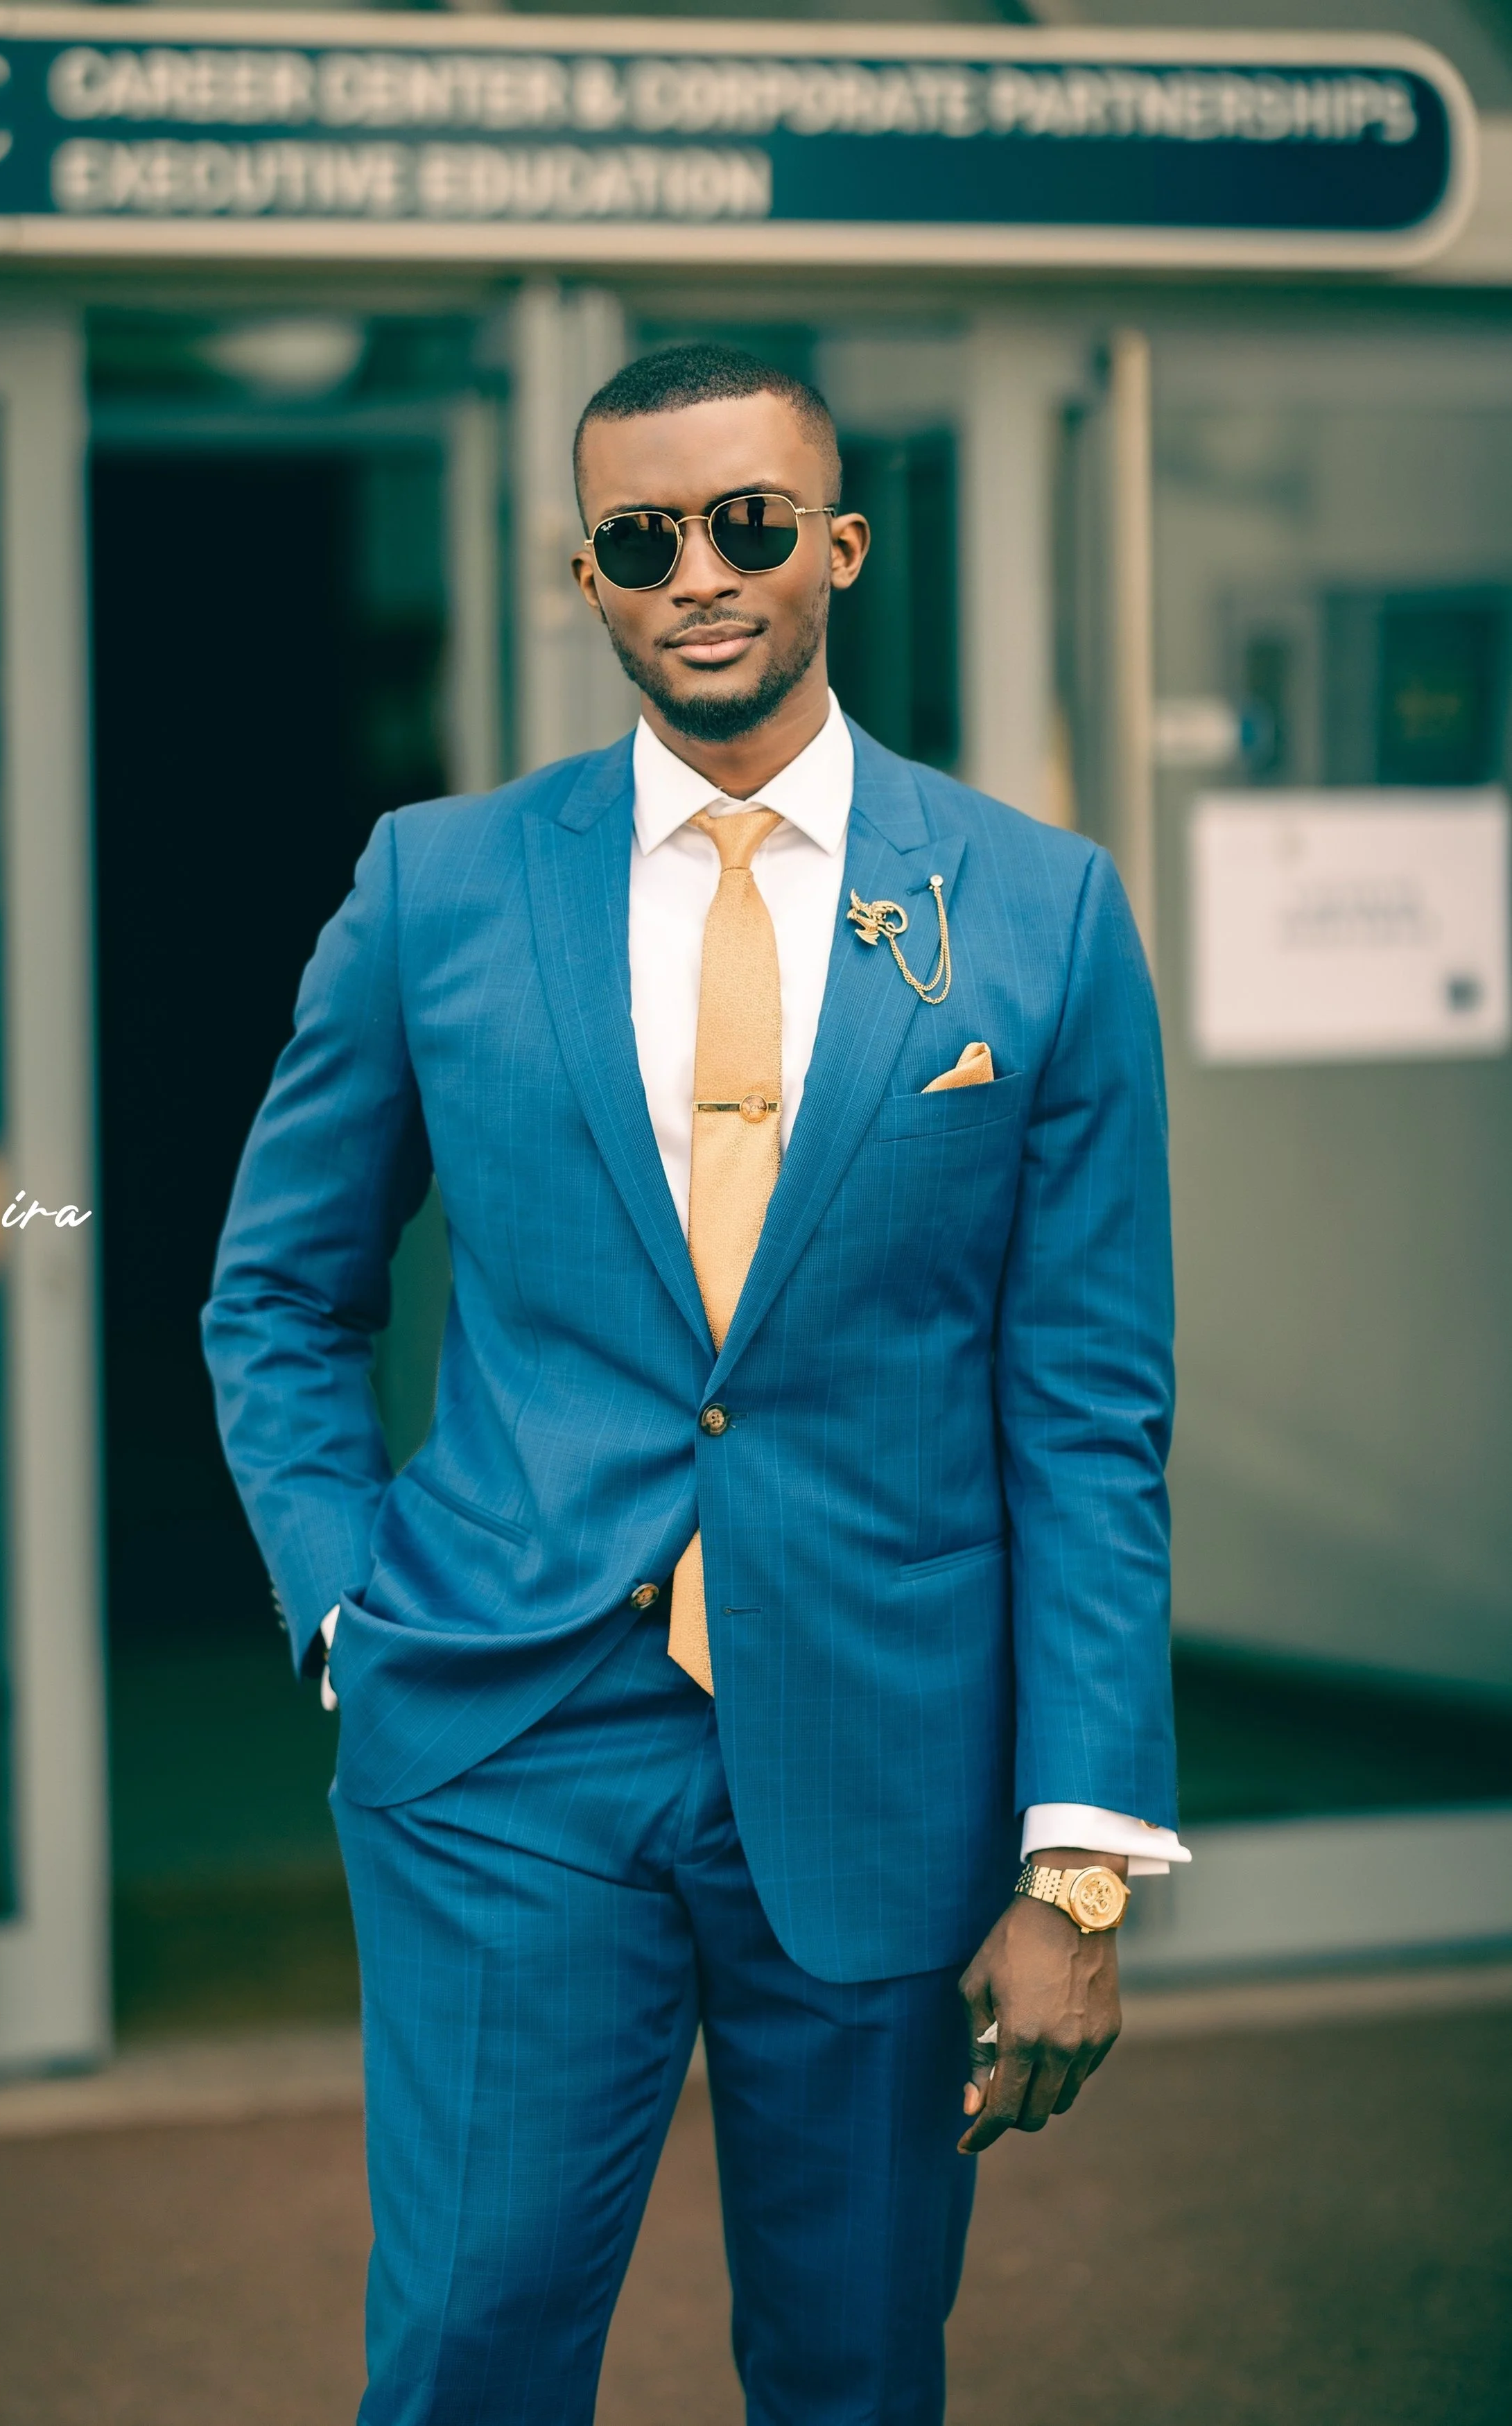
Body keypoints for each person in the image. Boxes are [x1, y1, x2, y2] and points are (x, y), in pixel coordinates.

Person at [204, 342, 1185, 2426]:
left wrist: (1075, 1859)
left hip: (886, 1764)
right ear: (588, 578)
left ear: (833, 542)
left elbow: (1086, 1412)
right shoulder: (434, 888)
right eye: (644, 539)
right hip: (502, 1741)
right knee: (469, 2349)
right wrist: (345, 1615)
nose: (701, 574)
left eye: (748, 524)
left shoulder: (1034, 909)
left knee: (848, 2366)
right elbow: (277, 1298)